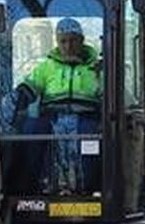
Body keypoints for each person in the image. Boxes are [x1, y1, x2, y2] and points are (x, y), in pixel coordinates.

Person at [12, 17, 103, 193]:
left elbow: (108, 95)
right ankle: (32, 184)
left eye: (72, 40)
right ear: (57, 42)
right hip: (53, 117)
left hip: (86, 118)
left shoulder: (96, 68)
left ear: (81, 41)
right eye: (63, 41)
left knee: (90, 137)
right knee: (31, 129)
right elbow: (29, 87)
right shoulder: (47, 67)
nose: (68, 46)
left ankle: (88, 185)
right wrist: (16, 102)